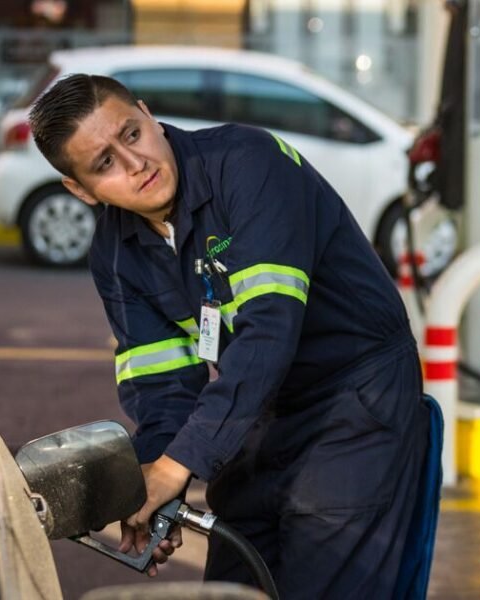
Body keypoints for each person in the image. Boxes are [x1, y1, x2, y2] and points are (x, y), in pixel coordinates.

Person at [29, 74, 439, 598]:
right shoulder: (115, 252)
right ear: (81, 190)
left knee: (325, 582)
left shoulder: (249, 163)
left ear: (149, 115)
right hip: (257, 412)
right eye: (105, 163)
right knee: (235, 582)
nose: (136, 164)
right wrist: (156, 489)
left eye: (132, 134)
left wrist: (179, 465)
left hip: (354, 401)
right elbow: (162, 386)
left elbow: (269, 330)